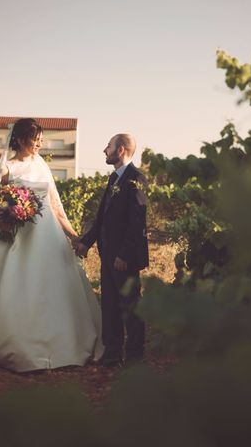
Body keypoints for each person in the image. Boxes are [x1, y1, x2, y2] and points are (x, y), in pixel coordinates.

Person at [0, 118, 103, 372]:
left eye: (42, 140)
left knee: (53, 289)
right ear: (21, 140)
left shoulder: (42, 165)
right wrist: (9, 222)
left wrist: (74, 236)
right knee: (17, 288)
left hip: (49, 238)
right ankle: (15, 345)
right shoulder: (6, 169)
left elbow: (55, 206)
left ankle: (60, 344)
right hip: (18, 239)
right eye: (36, 139)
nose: (40, 144)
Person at [75, 134, 149, 366]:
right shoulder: (113, 180)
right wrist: (86, 242)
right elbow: (102, 218)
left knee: (130, 306)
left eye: (109, 146)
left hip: (123, 258)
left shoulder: (136, 178)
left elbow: (137, 222)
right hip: (107, 254)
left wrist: (124, 255)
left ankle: (135, 356)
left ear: (121, 150)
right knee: (109, 304)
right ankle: (113, 352)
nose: (104, 150)